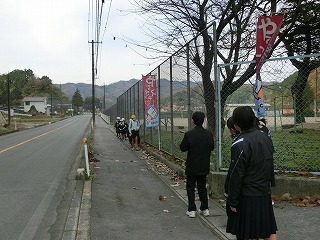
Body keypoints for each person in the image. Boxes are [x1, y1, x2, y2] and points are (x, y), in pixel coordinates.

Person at [225, 106, 277, 240]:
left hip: (248, 196)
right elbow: (269, 164)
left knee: (248, 234)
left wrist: (233, 201)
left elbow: (236, 175)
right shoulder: (265, 137)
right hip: (264, 192)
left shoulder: (239, 143)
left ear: (236, 125)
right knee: (268, 231)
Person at [179, 111, 214, 218]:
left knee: (190, 187)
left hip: (192, 165)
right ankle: (205, 208)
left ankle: (191, 209)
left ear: (193, 121)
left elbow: (182, 148)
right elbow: (212, 147)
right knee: (202, 186)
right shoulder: (208, 134)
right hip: (204, 165)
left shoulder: (189, 134)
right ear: (203, 121)